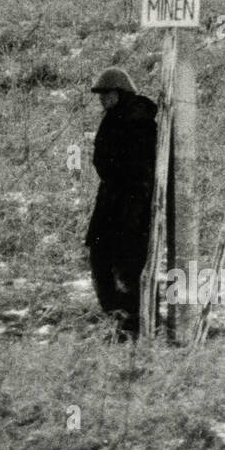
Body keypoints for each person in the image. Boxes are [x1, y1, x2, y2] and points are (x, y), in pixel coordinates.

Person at [85, 68, 174, 341]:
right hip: (113, 205)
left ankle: (136, 324)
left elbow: (140, 172)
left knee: (130, 266)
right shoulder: (118, 119)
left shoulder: (138, 122)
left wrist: (135, 209)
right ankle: (123, 320)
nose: (102, 100)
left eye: (107, 94)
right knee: (103, 261)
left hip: (130, 209)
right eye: (101, 95)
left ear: (120, 93)